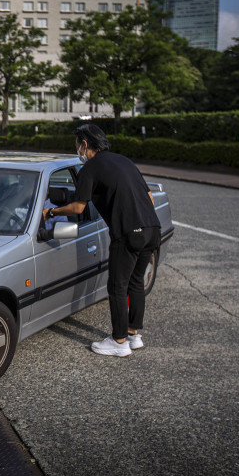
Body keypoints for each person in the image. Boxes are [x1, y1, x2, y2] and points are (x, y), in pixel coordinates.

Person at [44, 124, 161, 357]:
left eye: (77, 144)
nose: (77, 149)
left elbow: (78, 207)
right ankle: (133, 335)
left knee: (117, 286)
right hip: (152, 229)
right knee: (136, 282)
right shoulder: (124, 161)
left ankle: (118, 342)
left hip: (129, 233)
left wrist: (51, 213)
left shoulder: (90, 168)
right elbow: (149, 197)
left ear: (85, 144)